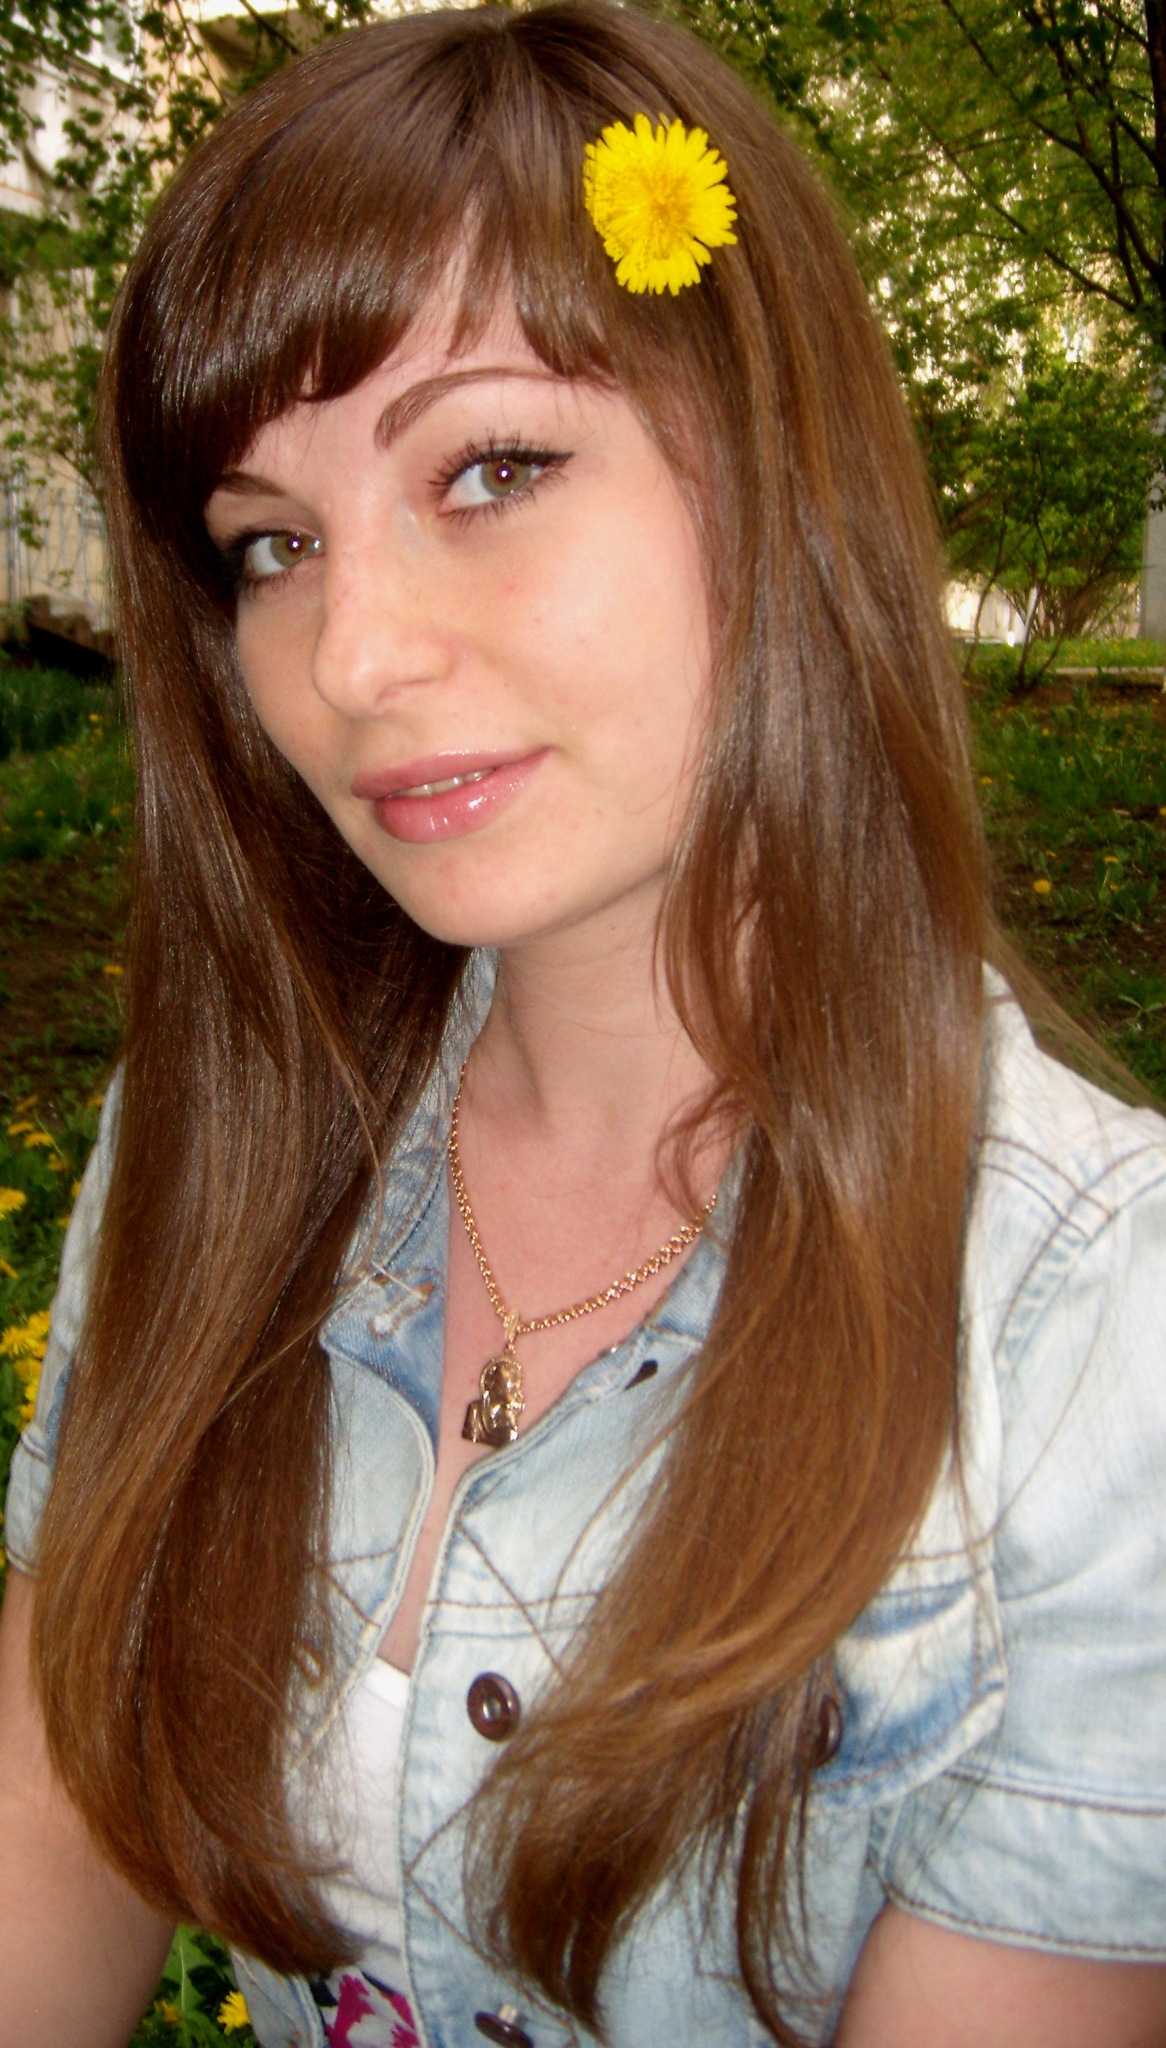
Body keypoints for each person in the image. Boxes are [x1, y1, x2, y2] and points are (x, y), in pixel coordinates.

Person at [1, 5, 1164, 2044]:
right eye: (273, 544)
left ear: (780, 473)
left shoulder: (1090, 1334)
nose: (350, 654)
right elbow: (51, 1818)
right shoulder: (221, 1140)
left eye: (492, 468)